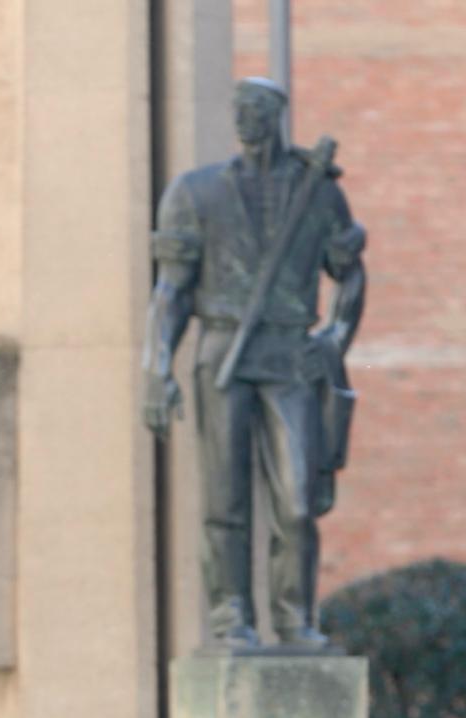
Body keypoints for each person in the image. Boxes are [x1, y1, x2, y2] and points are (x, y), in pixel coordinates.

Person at [143, 77, 365, 647]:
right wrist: (156, 366)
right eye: (238, 109)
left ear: (276, 116)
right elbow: (171, 291)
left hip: (291, 353)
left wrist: (337, 335)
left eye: (257, 109)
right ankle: (231, 615)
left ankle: (294, 618)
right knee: (225, 496)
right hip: (223, 350)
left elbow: (350, 272)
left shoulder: (317, 191)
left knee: (296, 502)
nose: (246, 119)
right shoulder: (195, 192)